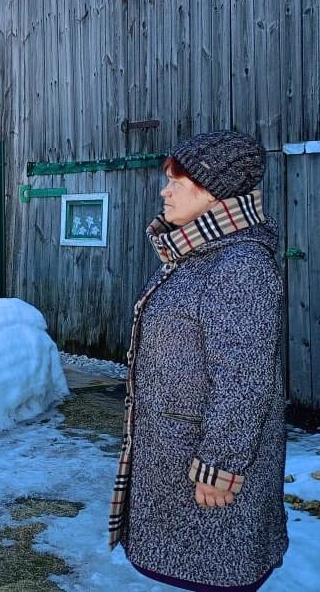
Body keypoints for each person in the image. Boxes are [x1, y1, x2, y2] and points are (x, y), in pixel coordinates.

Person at [109, 131, 288, 591]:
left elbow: (244, 378)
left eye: (177, 182)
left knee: (216, 566)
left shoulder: (240, 266)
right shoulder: (198, 255)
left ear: (214, 192)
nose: (164, 192)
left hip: (203, 463)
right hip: (176, 449)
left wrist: (220, 465)